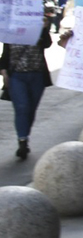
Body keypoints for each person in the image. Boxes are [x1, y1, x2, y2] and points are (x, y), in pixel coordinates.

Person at [1, 12, 54, 160]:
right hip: (17, 76)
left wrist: (44, 28)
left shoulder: (38, 30)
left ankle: (25, 136)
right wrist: (4, 72)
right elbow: (5, 54)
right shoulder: (10, 32)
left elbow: (47, 44)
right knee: (22, 107)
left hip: (37, 76)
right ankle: (22, 141)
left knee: (30, 110)